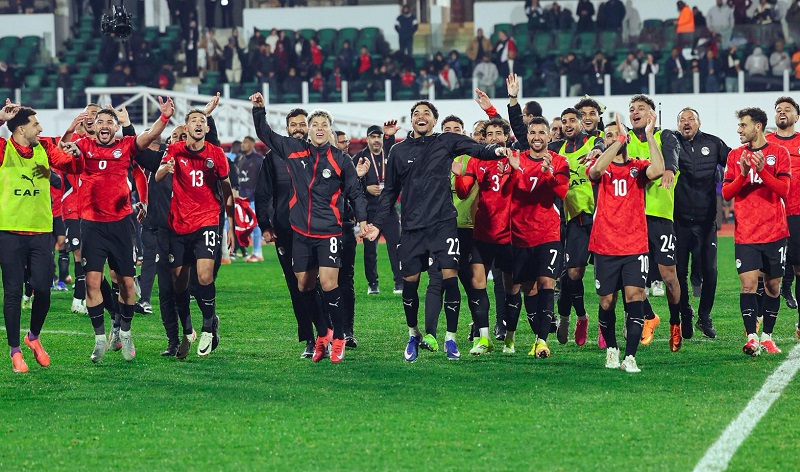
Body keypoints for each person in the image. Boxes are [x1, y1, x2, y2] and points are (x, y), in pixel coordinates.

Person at [364, 100, 508, 362]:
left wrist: (497, 150)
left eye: (426, 113)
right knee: (410, 283)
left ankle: (450, 339)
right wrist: (377, 224)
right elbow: (390, 192)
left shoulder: (446, 141)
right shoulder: (398, 151)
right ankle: (413, 333)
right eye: (416, 113)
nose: (421, 116)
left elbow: (477, 149)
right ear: (411, 120)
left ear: (433, 120)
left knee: (450, 277)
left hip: (443, 224)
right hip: (412, 227)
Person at [251, 93, 370, 364]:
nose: (318, 128)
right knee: (304, 286)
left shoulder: (341, 159)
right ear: (309, 130)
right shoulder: (293, 151)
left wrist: (363, 220)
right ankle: (323, 333)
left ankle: (339, 337)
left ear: (329, 130)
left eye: (323, 125)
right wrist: (259, 110)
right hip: (300, 234)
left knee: (329, 283)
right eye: (314, 124)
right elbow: (265, 134)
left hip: (328, 231)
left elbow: (355, 192)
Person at [67, 98, 174, 363]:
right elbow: (66, 151)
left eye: (109, 122)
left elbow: (149, 137)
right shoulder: (84, 145)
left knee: (126, 283)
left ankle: (124, 332)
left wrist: (164, 118)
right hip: (91, 225)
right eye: (100, 121)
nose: (104, 125)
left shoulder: (126, 146)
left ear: (116, 128)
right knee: (92, 282)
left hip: (121, 224)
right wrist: (70, 143)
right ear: (94, 126)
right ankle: (99, 340)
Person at [0, 102, 84, 373]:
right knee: (13, 292)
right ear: (21, 129)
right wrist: (0, 118)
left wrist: (77, 155)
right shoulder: (4, 149)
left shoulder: (45, 147)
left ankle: (33, 337)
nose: (41, 128)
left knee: (43, 290)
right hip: (9, 231)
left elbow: (70, 167)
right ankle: (15, 350)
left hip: (40, 232)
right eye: (35, 124)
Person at [589, 112, 664, 373]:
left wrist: (650, 136)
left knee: (635, 297)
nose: (614, 138)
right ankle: (612, 348)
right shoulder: (601, 166)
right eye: (609, 135)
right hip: (605, 245)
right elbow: (596, 171)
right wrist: (618, 141)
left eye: (617, 134)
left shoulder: (638, 166)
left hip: (635, 246)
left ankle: (630, 356)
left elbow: (658, 170)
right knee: (607, 302)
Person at [156, 107, 234, 358]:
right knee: (179, 280)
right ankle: (187, 329)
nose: (198, 124)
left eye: (202, 120)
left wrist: (231, 224)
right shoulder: (175, 150)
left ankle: (208, 328)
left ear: (207, 128)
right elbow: (157, 176)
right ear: (187, 127)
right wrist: (165, 170)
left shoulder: (216, 153)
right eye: (194, 120)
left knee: (204, 275)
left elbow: (226, 187)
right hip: (179, 225)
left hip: (207, 220)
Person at [722, 107, 790, 356]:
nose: (739, 130)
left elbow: (784, 190)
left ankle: (767, 337)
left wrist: (761, 171)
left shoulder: (779, 153)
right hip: (746, 234)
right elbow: (727, 193)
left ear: (758, 126)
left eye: (743, 125)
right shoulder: (735, 155)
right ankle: (752, 337)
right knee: (748, 286)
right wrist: (742, 175)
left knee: (773, 287)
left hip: (775, 231)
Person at [253, 108, 317, 359]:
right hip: (286, 231)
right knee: (296, 286)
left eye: (302, 124)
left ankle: (332, 334)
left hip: (317, 230)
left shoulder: (318, 153)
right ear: (287, 128)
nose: (298, 128)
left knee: (324, 283)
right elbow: (262, 194)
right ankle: (310, 339)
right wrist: (265, 226)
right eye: (294, 124)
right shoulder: (273, 157)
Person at [505, 117, 570, 359]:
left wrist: (549, 173)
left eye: (542, 132)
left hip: (548, 233)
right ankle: (538, 335)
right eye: (533, 132)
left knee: (546, 282)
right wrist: (512, 172)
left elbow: (562, 192)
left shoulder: (559, 161)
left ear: (549, 136)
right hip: (520, 235)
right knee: (529, 288)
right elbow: (506, 193)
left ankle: (542, 341)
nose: (537, 137)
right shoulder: (517, 159)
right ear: (527, 136)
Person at [453, 116, 513, 355]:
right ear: (484, 139)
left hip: (509, 232)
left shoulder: (515, 158)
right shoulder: (477, 161)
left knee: (511, 288)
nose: (494, 137)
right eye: (489, 134)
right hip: (483, 231)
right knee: (478, 283)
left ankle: (510, 339)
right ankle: (484, 338)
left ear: (506, 136)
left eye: (498, 133)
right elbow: (463, 191)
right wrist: (459, 175)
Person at [626, 95, 681, 350]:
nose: (635, 112)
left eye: (641, 108)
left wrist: (669, 169)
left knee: (669, 276)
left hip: (660, 216)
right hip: (632, 217)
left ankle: (675, 322)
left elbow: (673, 154)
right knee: (630, 276)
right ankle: (649, 317)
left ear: (652, 114)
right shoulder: (625, 139)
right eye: (632, 109)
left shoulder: (664, 135)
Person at [673, 108, 730, 349]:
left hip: (707, 221)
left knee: (711, 271)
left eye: (690, 119)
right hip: (679, 221)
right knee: (679, 272)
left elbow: (735, 161)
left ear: (699, 122)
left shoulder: (714, 143)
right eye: (682, 120)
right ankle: (685, 311)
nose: (686, 123)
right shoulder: (671, 142)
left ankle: (704, 316)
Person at [551, 106, 602, 346]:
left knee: (607, 277)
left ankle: (605, 326)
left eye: (573, 120)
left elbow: (603, 143)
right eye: (565, 121)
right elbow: (526, 142)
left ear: (581, 122)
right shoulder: (558, 149)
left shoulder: (594, 141)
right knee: (572, 274)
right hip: (575, 220)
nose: (568, 124)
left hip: (600, 218)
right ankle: (580, 317)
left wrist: (598, 150)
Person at [352, 124, 402, 295]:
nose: (376, 140)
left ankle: (399, 281)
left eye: (378, 137)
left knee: (396, 246)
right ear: (367, 139)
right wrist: (366, 187)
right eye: (372, 137)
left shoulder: (389, 153)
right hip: (369, 210)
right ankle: (372, 283)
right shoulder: (359, 157)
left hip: (389, 210)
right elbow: (352, 183)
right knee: (370, 250)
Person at [765, 97, 800, 339]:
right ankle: (759, 327)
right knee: (766, 272)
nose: (782, 112)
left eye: (788, 109)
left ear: (797, 117)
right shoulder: (767, 143)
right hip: (772, 214)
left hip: (798, 212)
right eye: (778, 110)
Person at [235, 136, 264, 262]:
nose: (243, 144)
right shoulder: (241, 159)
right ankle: (254, 252)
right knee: (245, 226)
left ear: (252, 144)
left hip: (254, 197)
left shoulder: (259, 160)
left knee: (255, 225)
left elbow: (263, 178)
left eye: (246, 142)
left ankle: (257, 253)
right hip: (242, 198)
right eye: (242, 142)